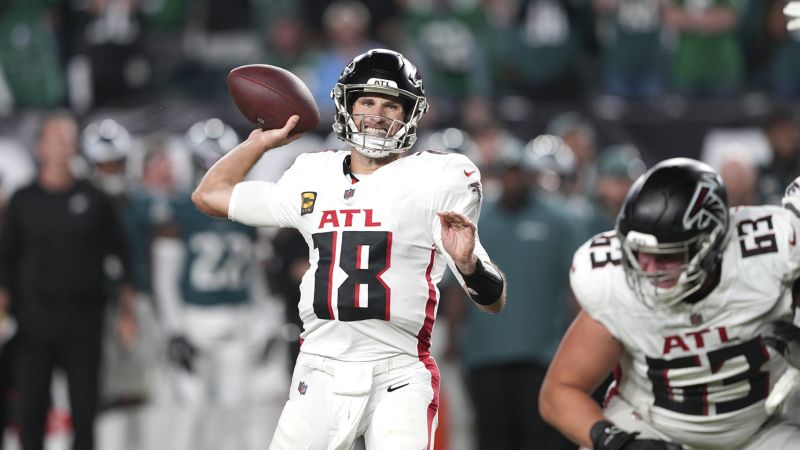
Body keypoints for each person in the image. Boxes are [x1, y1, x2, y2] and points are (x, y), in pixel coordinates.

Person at [192, 48, 507, 450]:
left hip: (399, 371)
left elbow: (493, 300)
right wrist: (261, 142)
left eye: (391, 104)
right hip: (319, 366)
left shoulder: (439, 177)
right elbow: (209, 194)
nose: (376, 114)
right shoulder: (313, 173)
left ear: (410, 113)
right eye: (367, 101)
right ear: (346, 105)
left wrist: (468, 264)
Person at [539, 157, 800, 449]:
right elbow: (559, 391)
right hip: (653, 427)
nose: (648, 271)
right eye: (639, 255)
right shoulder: (614, 283)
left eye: (666, 256)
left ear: (711, 244)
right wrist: (616, 442)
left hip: (764, 428)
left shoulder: (773, 258)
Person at [0, 110, 136, 450]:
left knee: (85, 412)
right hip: (33, 320)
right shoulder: (23, 200)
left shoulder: (94, 199)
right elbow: (7, 257)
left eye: (69, 139)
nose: (64, 146)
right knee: (30, 411)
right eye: (56, 139)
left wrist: (127, 308)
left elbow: (122, 253)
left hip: (84, 318)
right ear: (40, 147)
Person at [152, 118, 280, 450]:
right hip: (195, 317)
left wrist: (266, 321)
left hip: (239, 317)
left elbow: (255, 274)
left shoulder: (245, 205)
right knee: (188, 413)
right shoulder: (180, 208)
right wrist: (174, 329)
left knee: (234, 414)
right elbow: (165, 278)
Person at [446, 145, 580, 450]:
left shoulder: (558, 221)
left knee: (540, 436)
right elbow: (457, 287)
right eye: (507, 174)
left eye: (519, 174)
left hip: (540, 353)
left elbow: (574, 286)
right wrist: (455, 339)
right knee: (492, 435)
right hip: (484, 353)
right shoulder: (476, 222)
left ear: (531, 176)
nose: (512, 181)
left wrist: (575, 342)